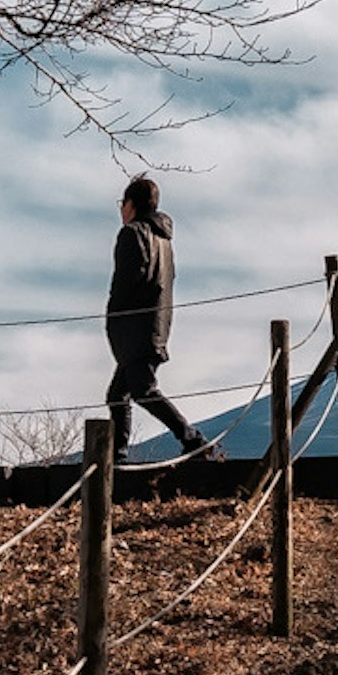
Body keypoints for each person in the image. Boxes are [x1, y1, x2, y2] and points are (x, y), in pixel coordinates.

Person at [107, 175, 215, 464]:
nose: (121, 210)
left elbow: (124, 282)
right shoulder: (164, 241)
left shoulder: (132, 234)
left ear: (130, 204)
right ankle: (117, 457)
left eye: (122, 203)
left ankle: (192, 439)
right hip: (156, 325)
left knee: (142, 390)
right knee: (118, 395)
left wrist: (112, 317)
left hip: (135, 328)